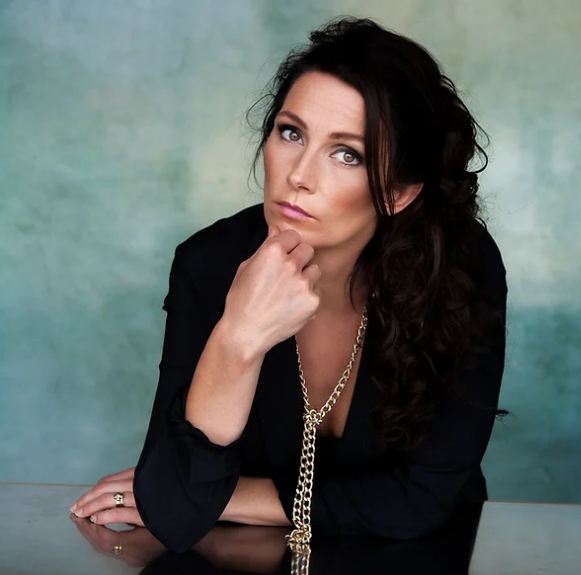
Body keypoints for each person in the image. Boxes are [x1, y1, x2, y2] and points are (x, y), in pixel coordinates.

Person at [68, 16, 508, 554]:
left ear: (399, 193)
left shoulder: (459, 268)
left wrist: (232, 498)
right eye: (291, 132)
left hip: (422, 556)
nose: (299, 174)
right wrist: (239, 338)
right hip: (246, 559)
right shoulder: (208, 265)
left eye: (347, 154)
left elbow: (421, 500)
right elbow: (175, 509)